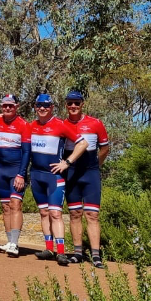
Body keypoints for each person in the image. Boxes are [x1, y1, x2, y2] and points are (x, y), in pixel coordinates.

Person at [25, 94, 89, 264]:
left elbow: (83, 143)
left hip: (54, 177)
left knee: (55, 213)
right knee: (43, 212)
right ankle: (48, 249)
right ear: (35, 107)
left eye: (46, 105)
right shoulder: (31, 126)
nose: (42, 108)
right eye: (39, 105)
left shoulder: (60, 125)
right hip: (37, 176)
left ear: (52, 107)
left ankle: (61, 252)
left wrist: (67, 162)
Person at [63, 90, 109, 268]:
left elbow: (105, 149)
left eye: (77, 103)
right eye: (70, 103)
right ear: (66, 105)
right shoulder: (63, 124)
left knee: (92, 214)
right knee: (75, 213)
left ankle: (96, 255)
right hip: (72, 174)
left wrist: (96, 165)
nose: (73, 106)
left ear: (83, 104)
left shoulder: (95, 123)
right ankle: (77, 253)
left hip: (90, 174)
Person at [0, 94, 30, 257]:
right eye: (4, 105)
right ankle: (9, 242)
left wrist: (21, 174)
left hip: (16, 170)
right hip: (1, 170)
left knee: (15, 204)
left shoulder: (23, 125)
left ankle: (15, 243)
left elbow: (27, 152)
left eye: (10, 106)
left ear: (16, 106)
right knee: (5, 207)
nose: (7, 108)